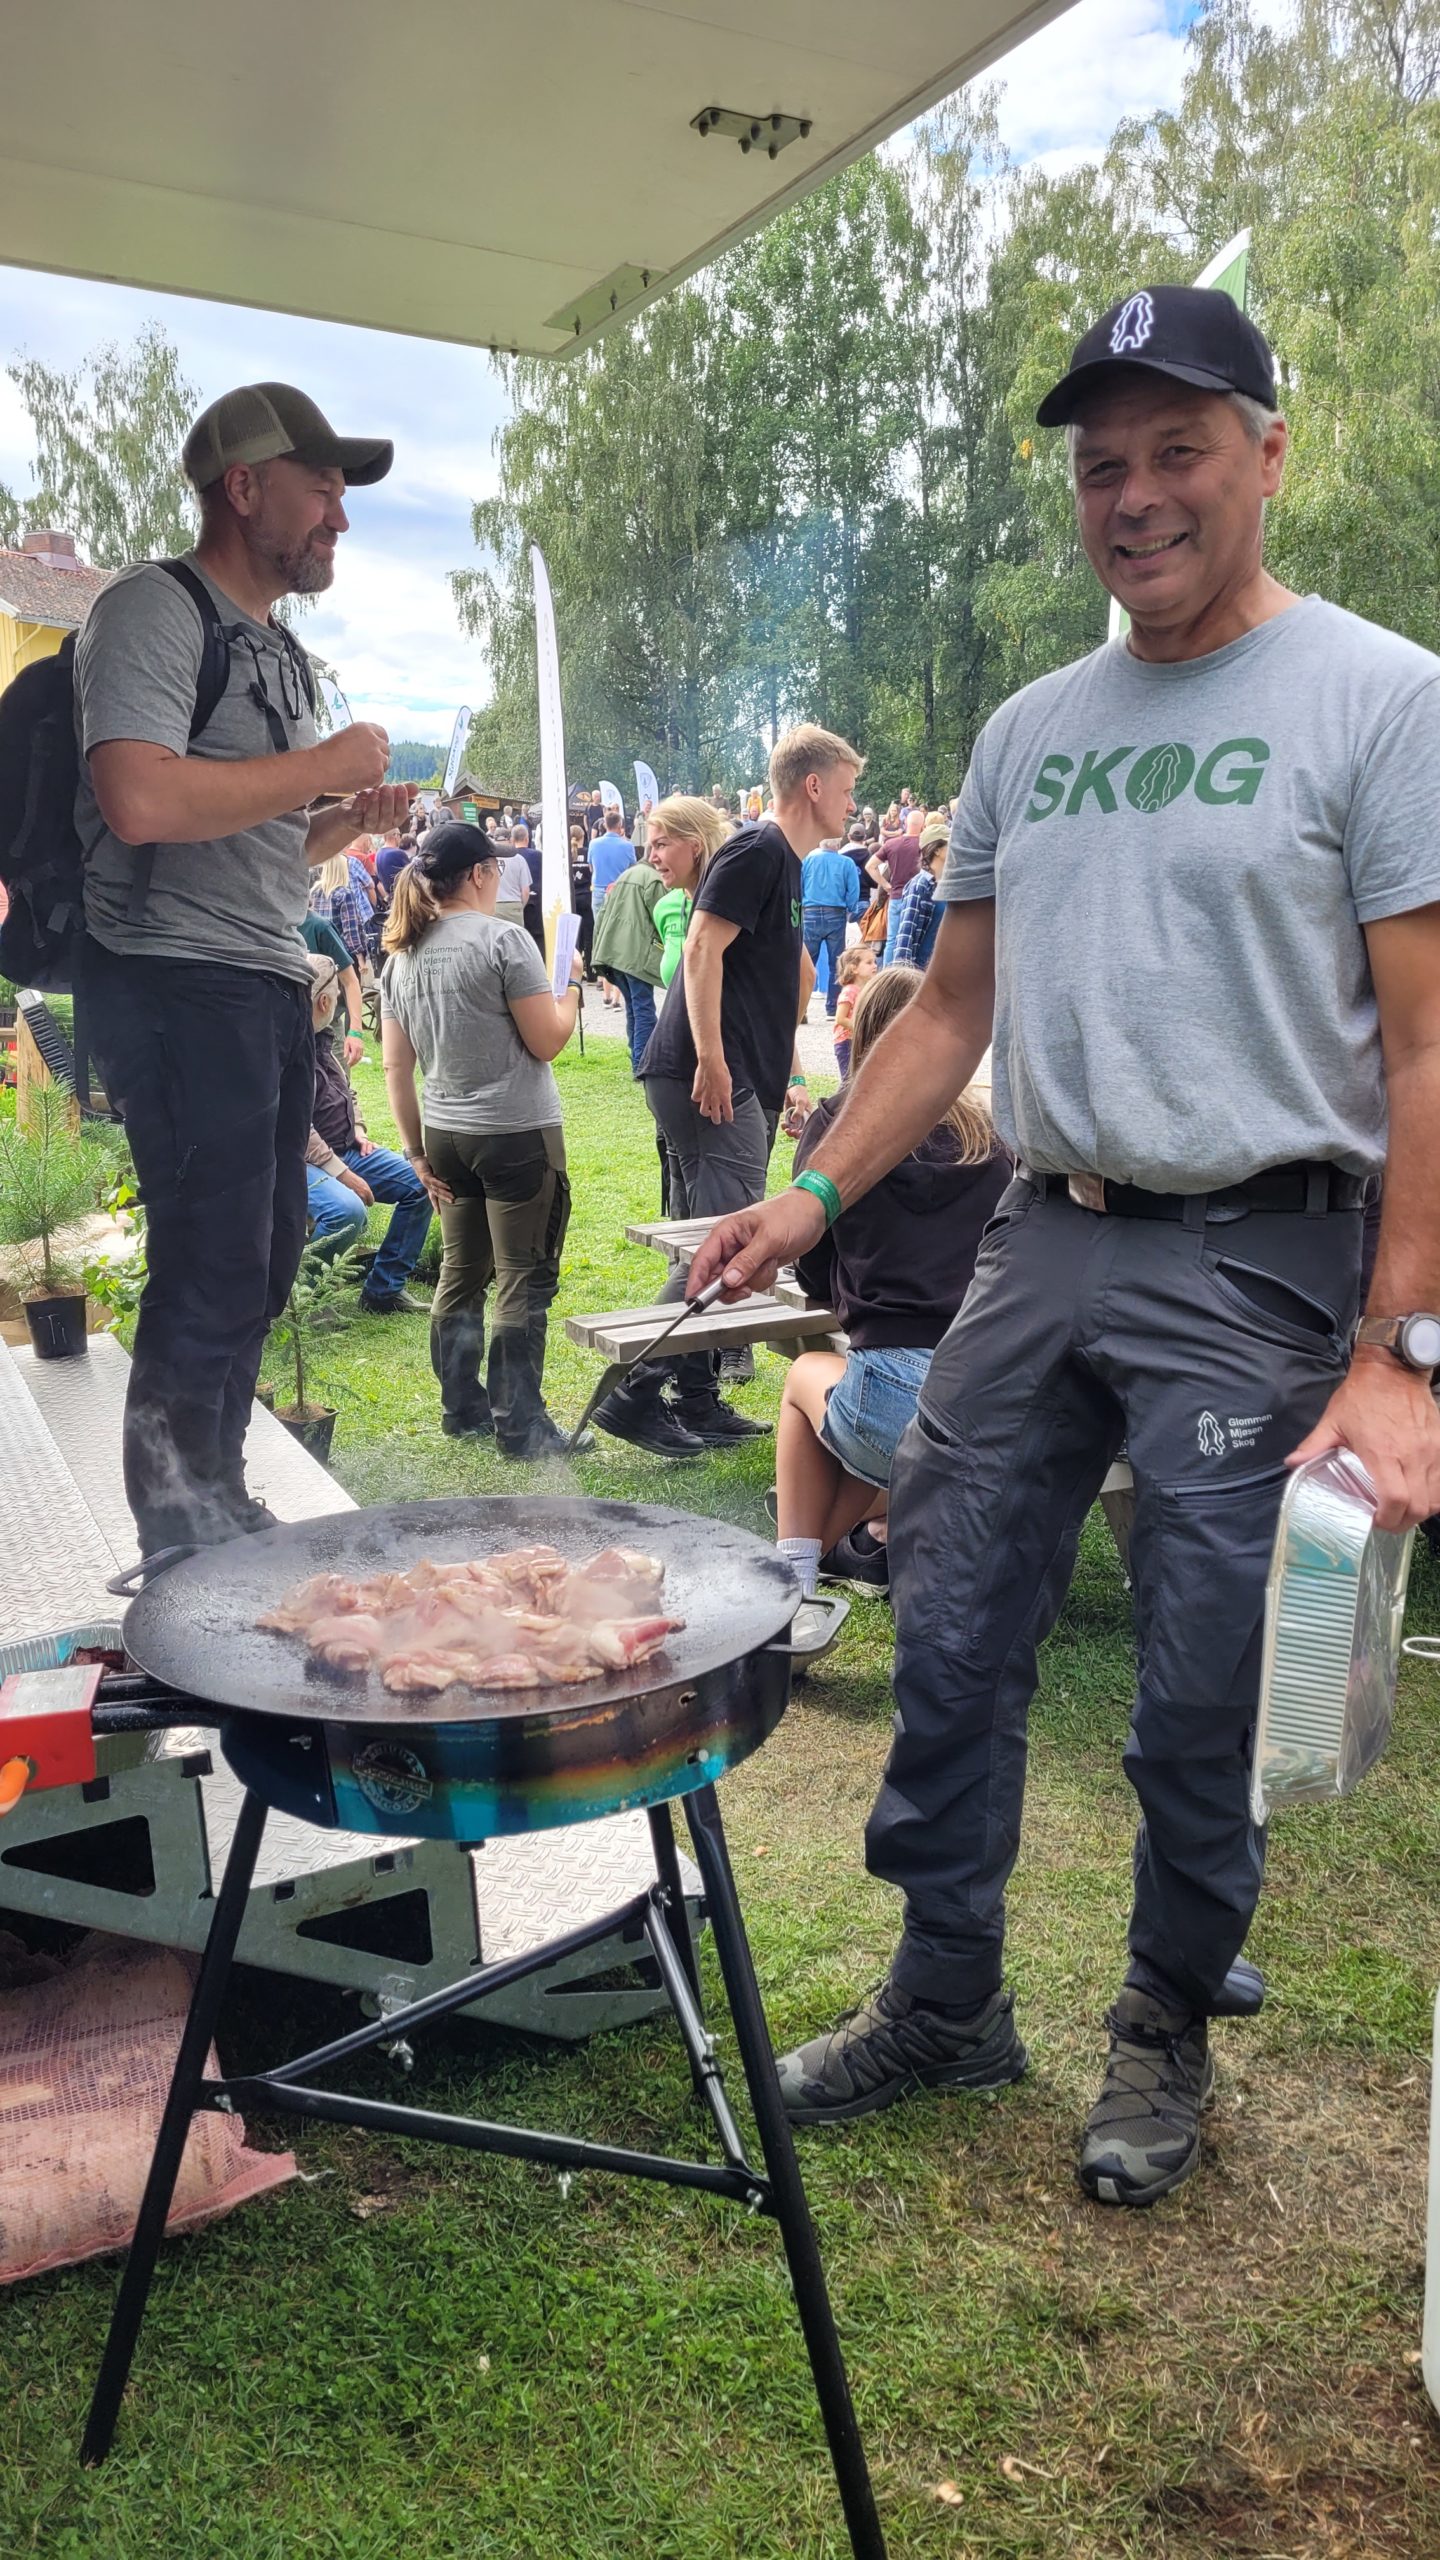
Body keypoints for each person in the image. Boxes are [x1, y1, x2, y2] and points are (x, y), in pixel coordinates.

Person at [687, 284, 1440, 2209]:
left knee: (1199, 1682)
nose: (1137, 494)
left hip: (1263, 1254)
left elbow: (1430, 1044)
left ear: (1268, 455)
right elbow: (948, 1012)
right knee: (945, 1619)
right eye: (1105, 464)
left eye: (1179, 449)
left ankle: (1164, 2025)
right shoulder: (1035, 728)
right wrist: (809, 1197)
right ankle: (949, 1998)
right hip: (1044, 1230)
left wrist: (1397, 1353)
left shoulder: (1384, 698)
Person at [74, 378, 406, 1554]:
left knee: (263, 1257)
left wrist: (343, 820)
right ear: (244, 485)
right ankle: (177, 1537)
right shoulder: (151, 612)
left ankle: (213, 1498)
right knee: (212, 1258)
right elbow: (141, 794)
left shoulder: (280, 650)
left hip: (258, 975)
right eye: (323, 488)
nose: (341, 518)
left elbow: (265, 844)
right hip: (168, 978)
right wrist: (315, 758)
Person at [593, 725, 857, 1458]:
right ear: (812, 785)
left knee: (709, 1238)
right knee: (726, 1248)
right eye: (846, 787)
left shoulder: (788, 863)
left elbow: (790, 970)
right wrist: (715, 1059)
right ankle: (633, 1394)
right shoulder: (756, 849)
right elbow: (703, 946)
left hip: (733, 1077)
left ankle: (699, 1396)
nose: (851, 802)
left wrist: (789, 1069)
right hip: (712, 1081)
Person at [776, 966, 1009, 1605]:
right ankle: (864, 1537)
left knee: (806, 1382)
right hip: (989, 1393)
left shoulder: (839, 1125)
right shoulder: (991, 1138)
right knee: (879, 1431)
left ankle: (791, 1576)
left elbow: (812, 1260)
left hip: (897, 1387)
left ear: (867, 1039)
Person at [380, 822, 585, 1459]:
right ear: (478, 875)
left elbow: (395, 1067)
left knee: (461, 1274)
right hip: (516, 1133)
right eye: (496, 868)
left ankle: (461, 1407)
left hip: (444, 1136)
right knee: (521, 1280)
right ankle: (520, 1426)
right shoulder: (502, 939)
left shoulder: (401, 955)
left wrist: (414, 1152)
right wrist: (572, 990)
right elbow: (548, 1039)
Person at [299, 954, 433, 1310]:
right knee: (347, 1210)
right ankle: (310, 1298)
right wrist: (343, 1175)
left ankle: (383, 1290)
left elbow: (348, 1091)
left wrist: (357, 1127)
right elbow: (296, 1127)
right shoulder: (285, 1050)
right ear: (325, 1001)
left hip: (344, 1149)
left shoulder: (323, 1038)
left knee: (422, 1184)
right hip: (302, 1162)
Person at [589, 841, 666, 1074]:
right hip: (633, 954)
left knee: (634, 1008)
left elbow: (602, 914)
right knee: (643, 1009)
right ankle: (644, 1064)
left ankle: (637, 1059)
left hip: (613, 953)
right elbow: (662, 916)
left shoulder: (626, 875)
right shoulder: (652, 879)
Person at [649, 795, 729, 996]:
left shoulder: (743, 902)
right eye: (651, 847)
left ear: (696, 845)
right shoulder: (664, 908)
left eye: (661, 845)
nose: (652, 858)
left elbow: (802, 974)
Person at [800, 835, 863, 1016]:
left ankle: (801, 1008)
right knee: (836, 962)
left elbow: (799, 885)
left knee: (806, 962)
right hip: (835, 912)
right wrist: (851, 908)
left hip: (810, 911)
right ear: (838, 843)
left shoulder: (808, 860)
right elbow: (854, 890)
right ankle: (833, 1007)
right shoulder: (847, 863)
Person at [299, 906, 364, 1062]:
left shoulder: (319, 926)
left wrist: (355, 1031)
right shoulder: (272, 926)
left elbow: (350, 982)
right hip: (288, 1030)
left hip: (326, 1029)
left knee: (335, 1084)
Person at [890, 820, 949, 971]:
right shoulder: (920, 885)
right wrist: (903, 977)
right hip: (922, 971)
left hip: (943, 970)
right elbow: (906, 933)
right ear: (936, 850)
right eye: (950, 843)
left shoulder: (949, 884)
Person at [310, 842, 377, 968]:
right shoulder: (345, 894)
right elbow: (350, 930)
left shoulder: (314, 892)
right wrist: (360, 958)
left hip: (321, 953)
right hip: (344, 954)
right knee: (351, 986)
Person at [831, 943, 877, 1080]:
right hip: (846, 1043)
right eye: (869, 963)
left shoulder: (867, 989)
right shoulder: (850, 990)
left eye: (874, 962)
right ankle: (837, 1102)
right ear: (854, 968)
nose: (875, 965)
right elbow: (840, 1019)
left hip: (858, 1040)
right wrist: (861, 1028)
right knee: (849, 1081)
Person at [511, 818, 545, 954]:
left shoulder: (509, 857)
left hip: (516, 902)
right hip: (536, 902)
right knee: (537, 940)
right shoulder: (538, 855)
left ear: (512, 839)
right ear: (527, 838)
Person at [590, 805, 636, 903]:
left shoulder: (593, 844)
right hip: (620, 889)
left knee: (598, 919)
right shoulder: (628, 846)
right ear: (620, 825)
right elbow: (633, 869)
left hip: (598, 889)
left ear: (605, 825)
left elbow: (591, 868)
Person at [492, 832, 534, 929]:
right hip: (514, 906)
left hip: (493, 907)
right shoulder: (519, 859)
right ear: (510, 840)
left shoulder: (488, 860)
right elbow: (526, 891)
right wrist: (520, 906)